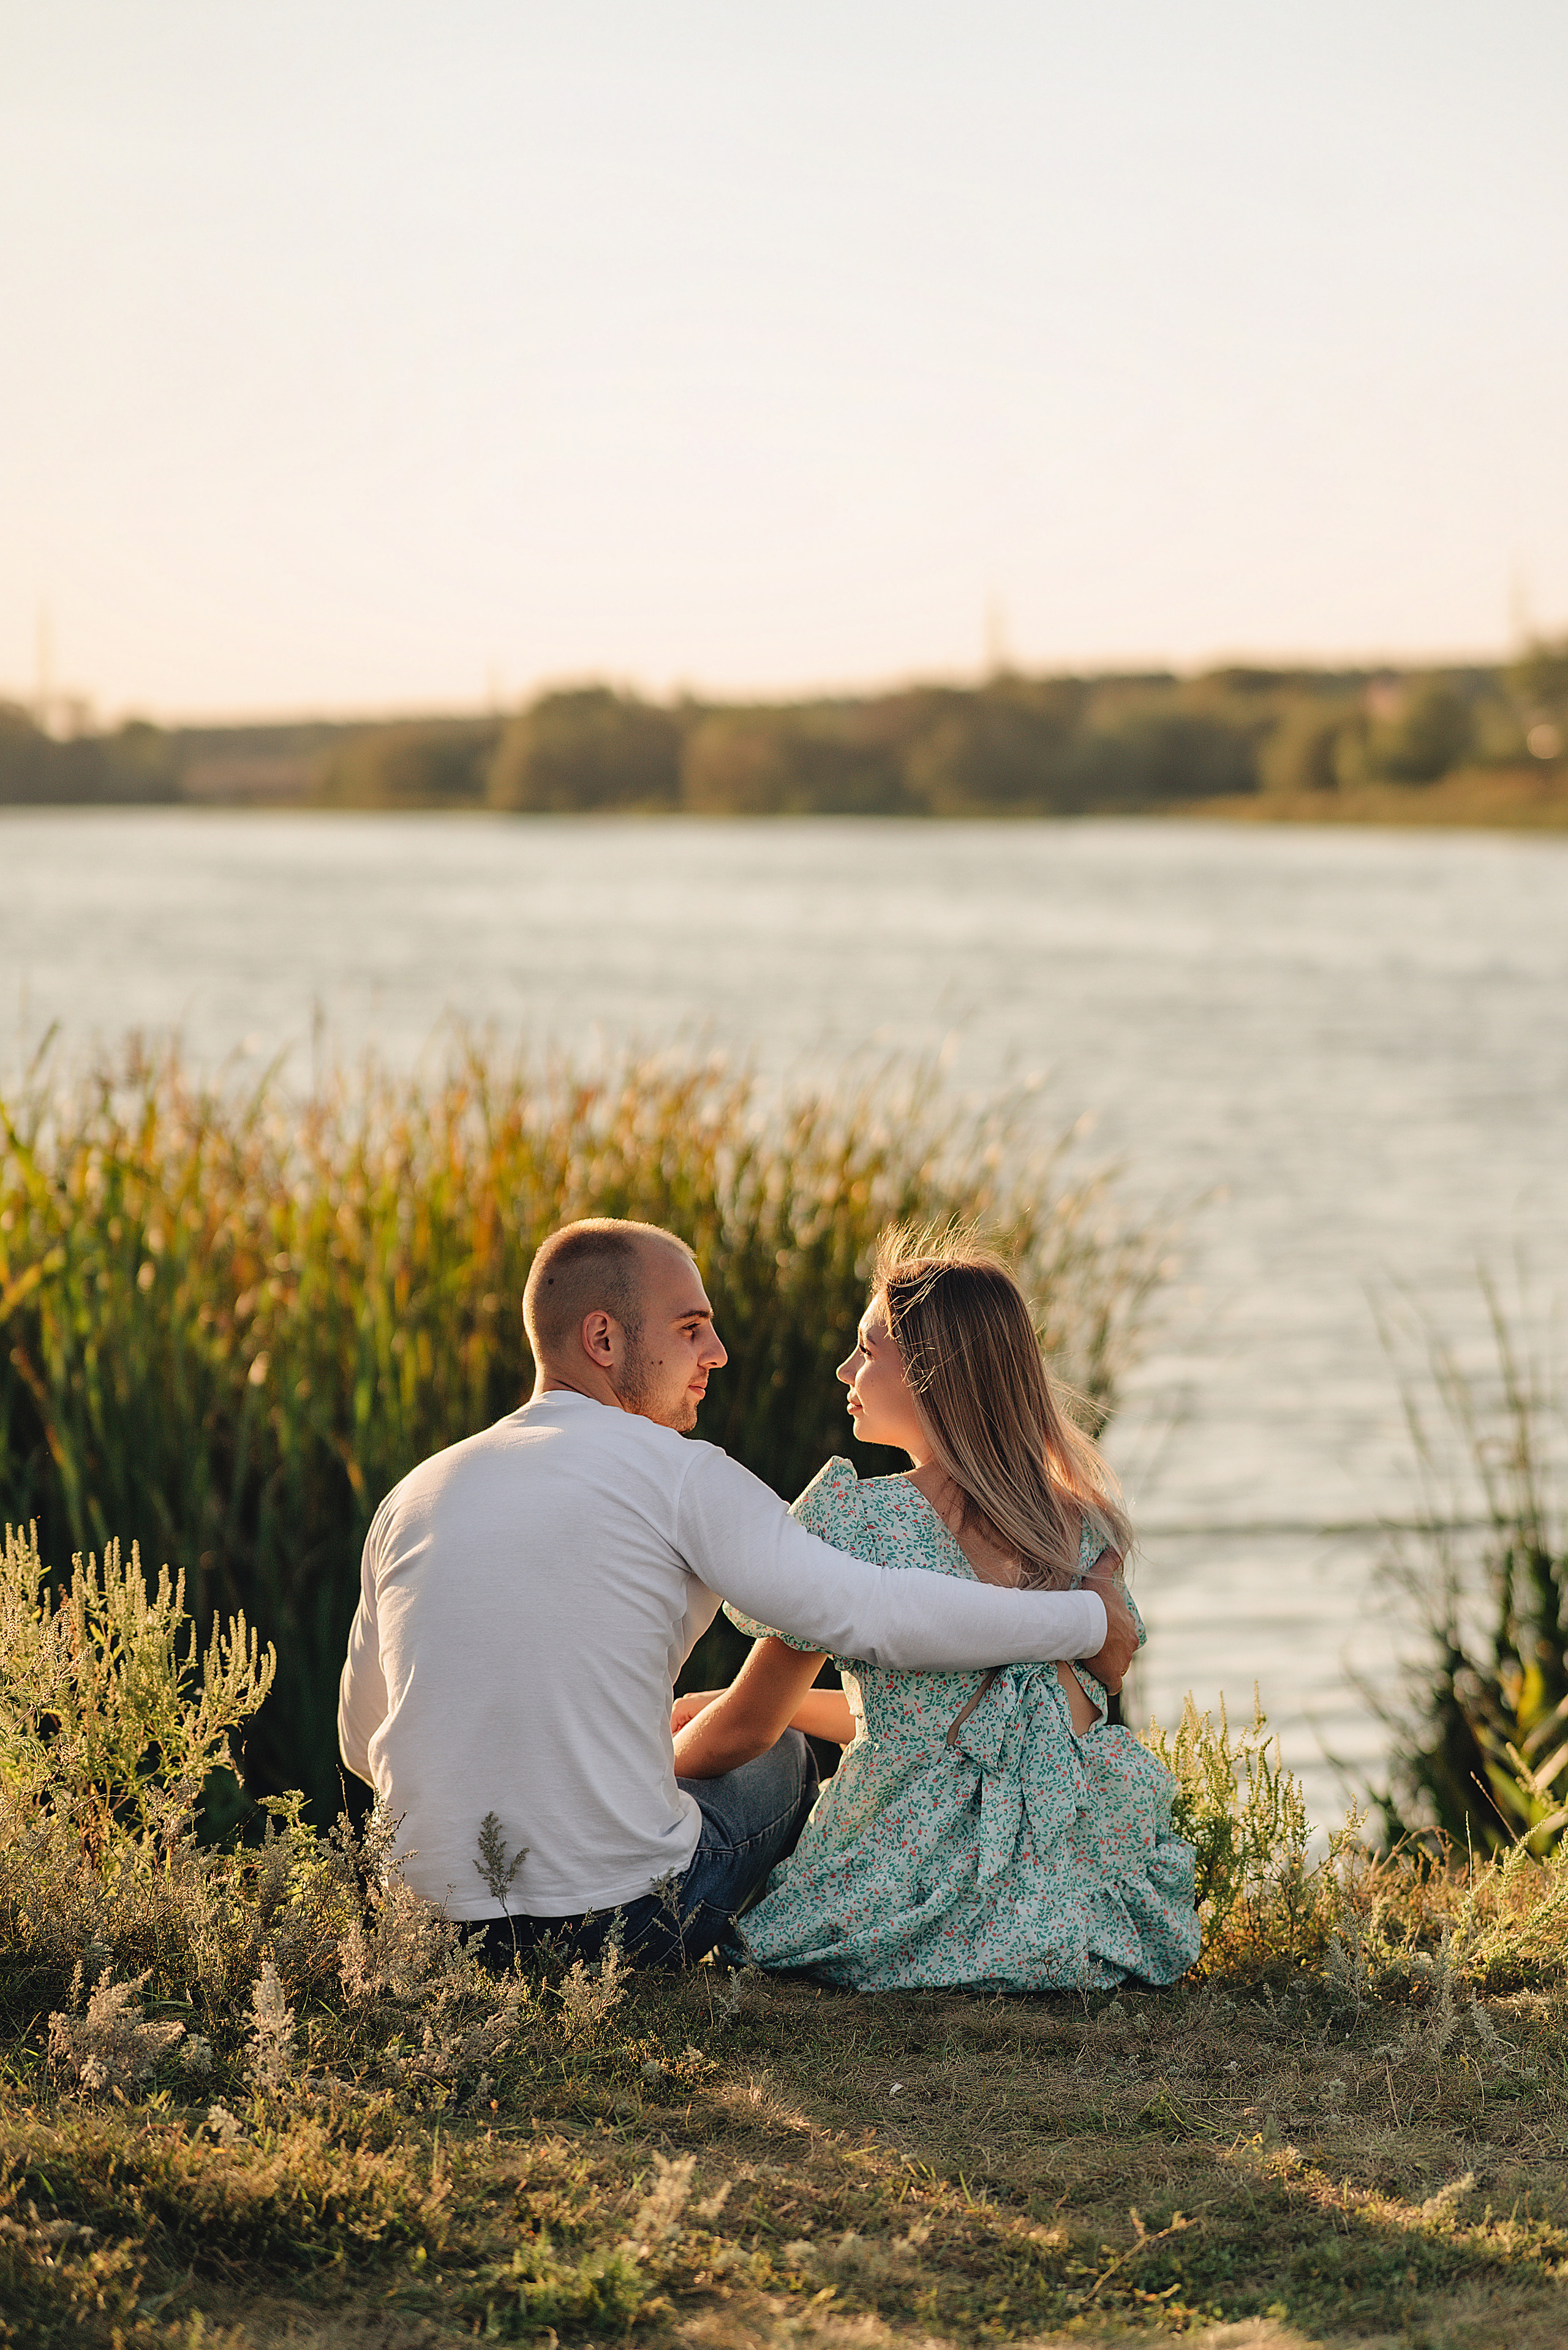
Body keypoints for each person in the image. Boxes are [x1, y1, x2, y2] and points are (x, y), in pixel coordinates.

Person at [337, 1216, 1140, 1970]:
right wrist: (1084, 1618)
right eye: (691, 1328)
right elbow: (874, 1614)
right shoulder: (681, 1476)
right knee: (781, 1758)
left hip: (425, 1932)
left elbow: (361, 1738)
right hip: (623, 1926)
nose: (719, 1351)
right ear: (603, 1338)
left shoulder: (413, 1495)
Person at [670, 1226, 1201, 1991]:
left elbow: (747, 1732)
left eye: (867, 1349)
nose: (845, 1369)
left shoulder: (856, 1522)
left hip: (909, 1888)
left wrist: (646, 1776)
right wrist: (781, 1710)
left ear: (929, 1374)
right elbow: (966, 1723)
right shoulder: (1082, 1525)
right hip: (1066, 1893)